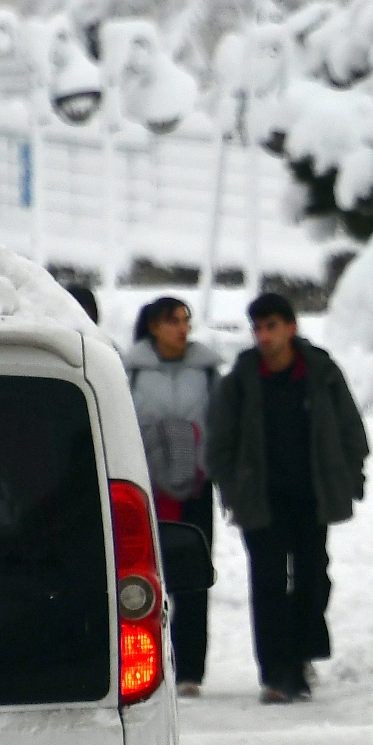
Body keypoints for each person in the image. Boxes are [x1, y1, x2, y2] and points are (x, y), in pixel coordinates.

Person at [207, 293, 370, 703]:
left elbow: (351, 429)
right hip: (261, 499)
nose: (263, 336)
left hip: (311, 497)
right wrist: (232, 487)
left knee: (313, 579)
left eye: (271, 326)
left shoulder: (321, 372)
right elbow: (219, 444)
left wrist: (350, 475)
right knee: (269, 583)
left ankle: (300, 658)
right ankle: (277, 673)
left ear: (291, 328)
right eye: (257, 328)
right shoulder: (241, 381)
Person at [125, 295, 224, 696]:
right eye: (172, 321)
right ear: (153, 327)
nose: (182, 329)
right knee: (145, 580)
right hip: (146, 491)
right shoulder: (129, 371)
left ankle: (190, 672)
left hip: (195, 490)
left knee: (193, 579)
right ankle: (145, 662)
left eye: (186, 320)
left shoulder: (208, 372)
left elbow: (221, 424)